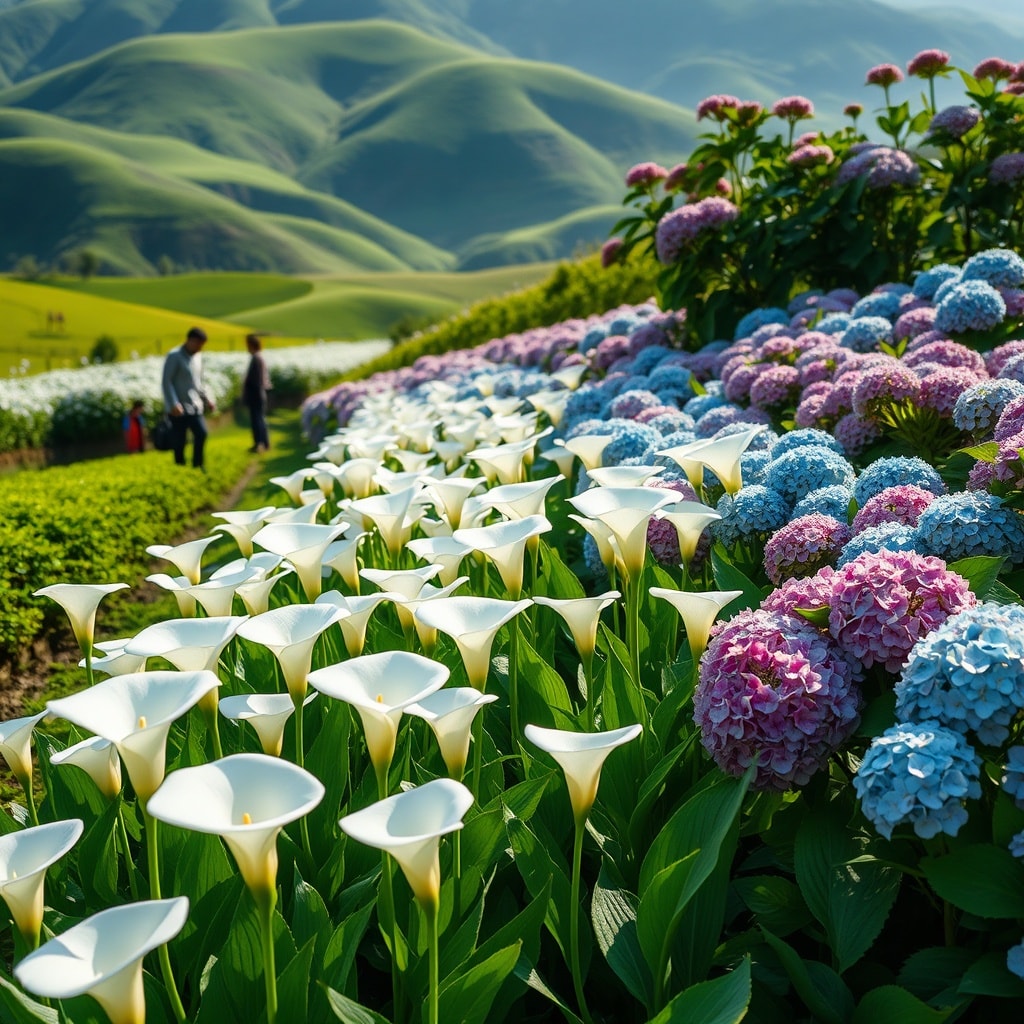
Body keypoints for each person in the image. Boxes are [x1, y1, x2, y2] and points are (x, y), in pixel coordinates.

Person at [161, 326, 216, 471]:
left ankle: (198, 465)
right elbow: (167, 381)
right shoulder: (174, 356)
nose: (200, 348)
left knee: (202, 433)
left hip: (195, 405)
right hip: (178, 408)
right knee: (180, 441)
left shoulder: (197, 357)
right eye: (198, 344)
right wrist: (173, 403)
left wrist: (208, 399)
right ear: (190, 340)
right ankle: (180, 467)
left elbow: (199, 382)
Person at [242, 333, 271, 453]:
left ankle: (259, 443)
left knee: (257, 419)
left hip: (256, 393)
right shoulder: (259, 357)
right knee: (260, 418)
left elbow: (255, 379)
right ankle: (263, 443)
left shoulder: (256, 358)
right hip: (259, 393)